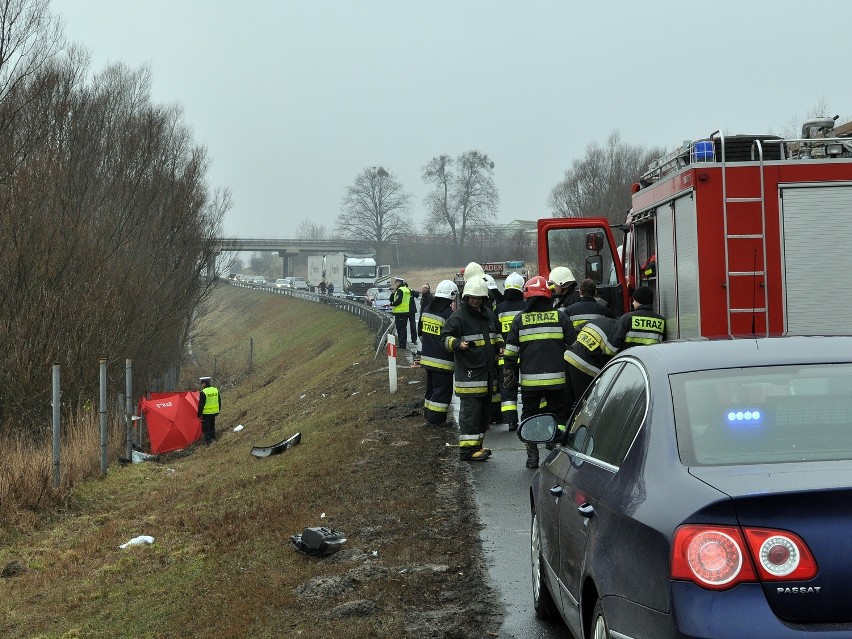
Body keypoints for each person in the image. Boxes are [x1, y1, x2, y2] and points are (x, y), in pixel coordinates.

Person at [503, 275, 577, 468]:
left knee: (529, 415)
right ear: (548, 296)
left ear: (528, 297)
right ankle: (555, 448)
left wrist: (509, 371)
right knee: (559, 415)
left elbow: (511, 350)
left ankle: (532, 454)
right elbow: (573, 345)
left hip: (530, 382)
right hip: (558, 381)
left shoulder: (520, 319)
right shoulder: (560, 316)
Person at [441, 276, 502, 462]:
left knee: (483, 416)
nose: (475, 300)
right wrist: (458, 344)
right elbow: (444, 339)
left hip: (487, 376)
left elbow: (497, 334)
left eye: (479, 297)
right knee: (470, 416)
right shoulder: (458, 317)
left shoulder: (489, 315)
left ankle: (477, 446)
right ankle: (467, 451)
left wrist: (500, 344)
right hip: (469, 378)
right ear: (466, 297)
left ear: (484, 298)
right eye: (472, 297)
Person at [418, 280, 458, 426]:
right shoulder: (448, 314)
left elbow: (420, 332)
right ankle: (436, 421)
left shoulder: (427, 309)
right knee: (442, 391)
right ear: (452, 296)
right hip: (443, 361)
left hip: (427, 358)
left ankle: (429, 416)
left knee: (431, 389)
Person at [494, 272, 525, 430]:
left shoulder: (499, 309)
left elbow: (495, 331)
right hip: (526, 356)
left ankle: (511, 420)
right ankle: (532, 418)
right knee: (529, 389)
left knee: (507, 388)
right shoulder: (527, 306)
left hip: (505, 357)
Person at [564, 315, 618, 401]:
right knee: (585, 401)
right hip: (586, 365)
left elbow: (575, 331)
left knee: (569, 398)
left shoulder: (599, 321)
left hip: (569, 356)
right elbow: (611, 354)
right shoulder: (615, 331)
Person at [608, 285, 666, 352]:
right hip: (652, 360)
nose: (632, 303)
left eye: (634, 300)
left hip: (630, 359)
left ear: (639, 301)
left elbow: (611, 348)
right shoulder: (661, 321)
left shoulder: (627, 318)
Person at [197, 376, 220, 444]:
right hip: (214, 412)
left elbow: (201, 405)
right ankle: (214, 438)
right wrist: (218, 411)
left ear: (204, 384)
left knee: (207, 428)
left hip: (206, 413)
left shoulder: (203, 392)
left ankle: (209, 442)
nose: (202, 385)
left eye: (202, 384)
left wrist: (199, 414)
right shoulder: (216, 390)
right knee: (212, 425)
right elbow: (219, 401)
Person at [390, 277, 412, 349]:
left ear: (399, 282)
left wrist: (391, 304)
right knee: (403, 328)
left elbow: (398, 301)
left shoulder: (400, 290)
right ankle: (402, 343)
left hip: (400, 312)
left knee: (400, 329)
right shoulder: (406, 289)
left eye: (395, 282)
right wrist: (393, 293)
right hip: (405, 311)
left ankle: (402, 344)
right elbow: (392, 298)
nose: (395, 284)